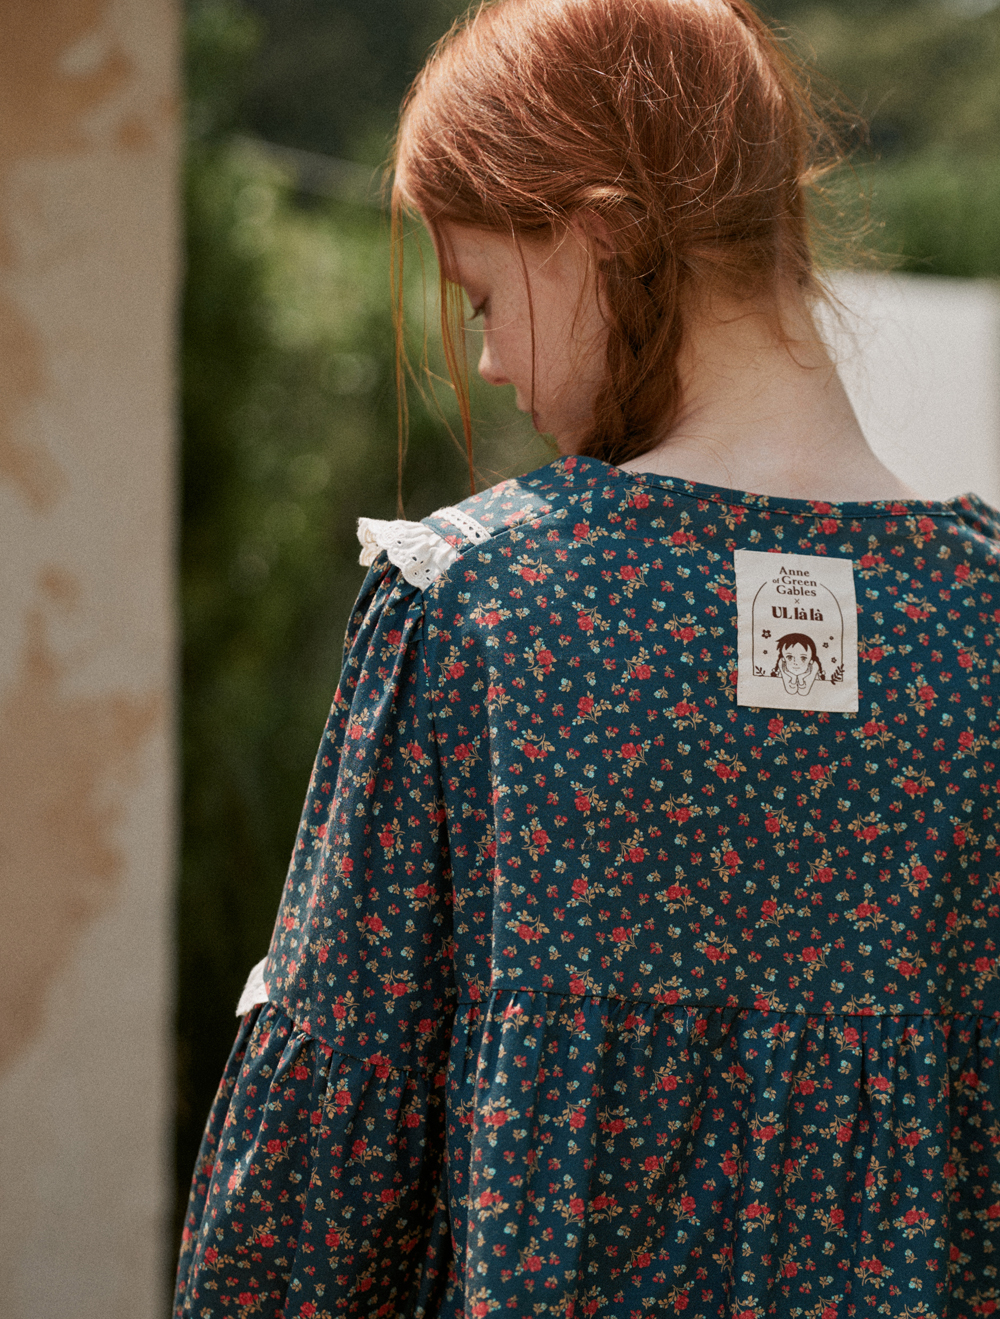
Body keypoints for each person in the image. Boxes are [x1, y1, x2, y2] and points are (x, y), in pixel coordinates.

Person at [174, 0, 1000, 1315]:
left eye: (484, 297)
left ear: (598, 233)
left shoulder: (483, 612)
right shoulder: (980, 620)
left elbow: (318, 1181)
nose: (490, 361)